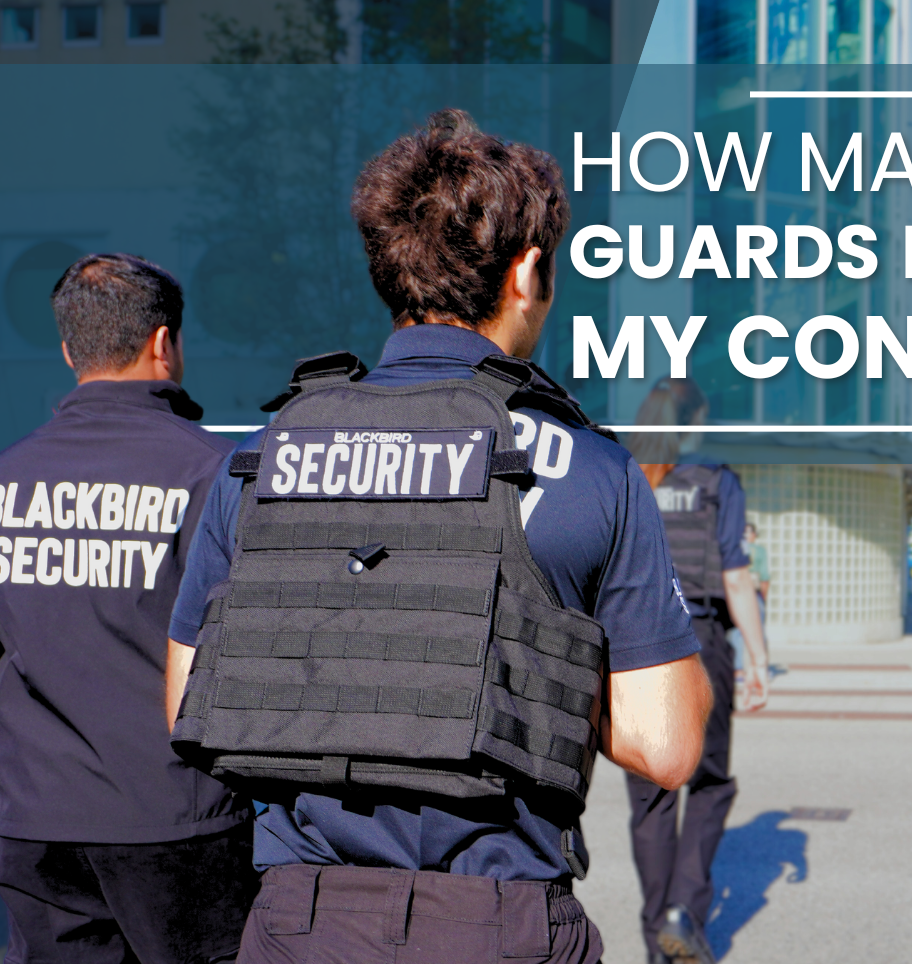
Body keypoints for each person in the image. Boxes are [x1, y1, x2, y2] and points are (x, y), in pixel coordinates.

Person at [164, 111, 713, 964]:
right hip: (498, 921)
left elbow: (186, 704)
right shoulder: (592, 469)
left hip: (301, 919)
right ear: (526, 272)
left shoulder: (263, 454)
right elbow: (667, 746)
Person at [0, 254, 258, 964]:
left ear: (68, 351)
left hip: (34, 823)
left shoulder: (9, 476)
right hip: (177, 822)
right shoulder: (213, 474)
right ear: (163, 342)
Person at [624, 378, 770, 964]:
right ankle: (683, 911)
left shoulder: (626, 473)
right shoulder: (715, 479)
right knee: (710, 783)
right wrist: (759, 659)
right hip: (700, 642)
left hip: (634, 645)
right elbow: (735, 574)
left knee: (651, 794)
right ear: (696, 420)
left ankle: (656, 936)